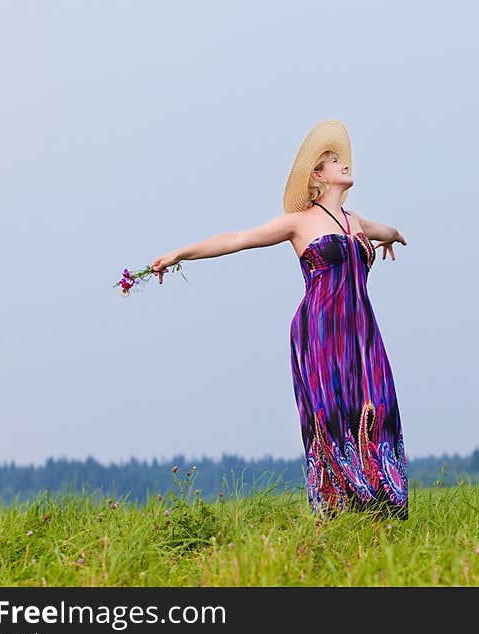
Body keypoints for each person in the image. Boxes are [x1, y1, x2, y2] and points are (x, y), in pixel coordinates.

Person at [150, 119, 409, 519]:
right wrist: (179, 254)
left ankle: (380, 504)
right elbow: (236, 240)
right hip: (321, 330)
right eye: (333, 160)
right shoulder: (299, 222)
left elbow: (388, 228)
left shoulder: (356, 222)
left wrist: (391, 237)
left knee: (378, 406)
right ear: (317, 177)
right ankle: (337, 511)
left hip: (361, 333)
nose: (344, 164)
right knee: (333, 412)